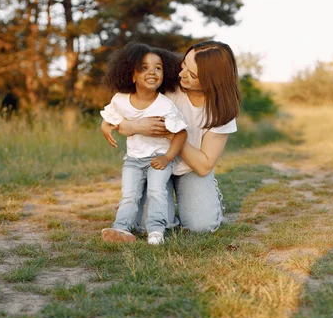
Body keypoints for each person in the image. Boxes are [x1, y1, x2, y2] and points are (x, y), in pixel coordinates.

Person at [101, 41, 241, 233]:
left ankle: (205, 201)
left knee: (202, 226)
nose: (181, 74)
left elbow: (203, 166)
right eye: (184, 65)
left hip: (190, 169)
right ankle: (150, 204)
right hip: (153, 163)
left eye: (192, 74)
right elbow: (124, 119)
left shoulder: (221, 110)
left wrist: (172, 134)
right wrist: (130, 125)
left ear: (212, 80)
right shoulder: (166, 83)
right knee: (146, 226)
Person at [100, 42, 188, 245]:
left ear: (164, 75)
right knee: (129, 195)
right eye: (144, 68)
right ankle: (120, 229)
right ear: (132, 75)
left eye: (158, 68)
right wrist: (105, 128)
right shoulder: (120, 99)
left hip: (157, 159)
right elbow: (109, 118)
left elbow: (181, 133)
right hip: (133, 160)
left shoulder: (165, 105)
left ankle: (156, 231)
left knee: (157, 192)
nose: (152, 72)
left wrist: (167, 157)